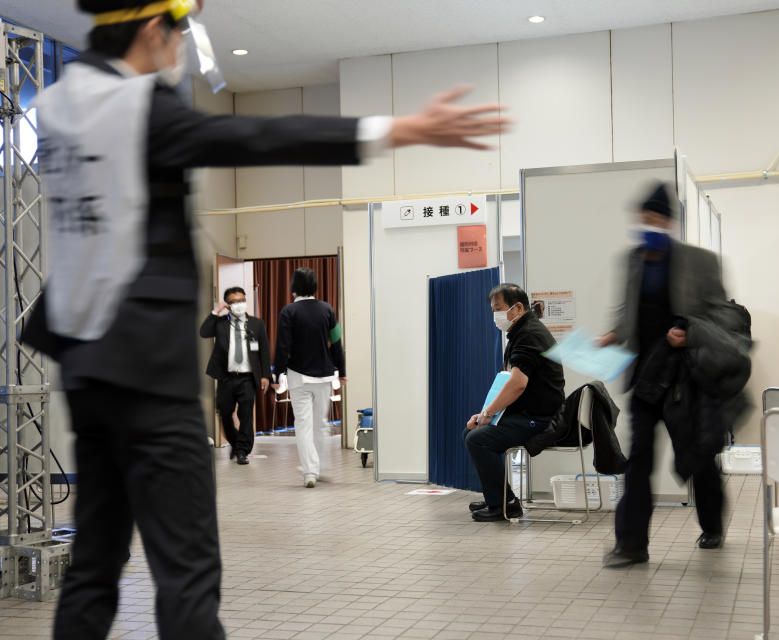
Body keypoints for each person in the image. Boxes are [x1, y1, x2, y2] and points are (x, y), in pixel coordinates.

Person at [22, 1, 508, 637]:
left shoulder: (56, 106)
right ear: (149, 30)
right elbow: (256, 137)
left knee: (94, 562)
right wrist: (401, 130)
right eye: (179, 36)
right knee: (188, 570)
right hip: (148, 372)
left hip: (87, 367)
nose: (180, 54)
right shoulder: (138, 109)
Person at [597, 182, 730, 567]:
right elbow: (627, 312)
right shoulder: (633, 260)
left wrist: (689, 332)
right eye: (643, 217)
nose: (647, 223)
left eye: (655, 217)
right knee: (639, 458)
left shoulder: (700, 261)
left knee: (696, 456)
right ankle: (631, 544)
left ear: (669, 222)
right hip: (645, 377)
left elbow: (722, 313)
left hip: (685, 377)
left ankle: (712, 523)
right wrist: (610, 335)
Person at [464, 284, 566, 522]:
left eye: (498, 309)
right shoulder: (521, 332)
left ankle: (506, 504)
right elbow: (506, 383)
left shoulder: (529, 334)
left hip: (540, 418)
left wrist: (489, 412)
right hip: (527, 413)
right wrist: (483, 415)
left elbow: (518, 384)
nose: (495, 316)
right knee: (472, 432)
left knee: (478, 440)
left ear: (518, 307)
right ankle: (496, 497)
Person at [273, 268, 346, 488]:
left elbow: (283, 346)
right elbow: (337, 343)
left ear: (293, 287)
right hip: (324, 376)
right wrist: (341, 371)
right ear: (315, 286)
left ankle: (310, 472)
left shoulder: (288, 312)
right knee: (320, 424)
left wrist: (278, 373)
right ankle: (321, 467)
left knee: (303, 425)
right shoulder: (327, 309)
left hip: (299, 376)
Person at [199, 286, 270, 465]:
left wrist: (266, 375)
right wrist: (216, 310)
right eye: (234, 302)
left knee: (246, 415)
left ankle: (242, 451)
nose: (239, 304)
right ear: (228, 304)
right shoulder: (221, 323)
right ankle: (235, 441)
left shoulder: (256, 324)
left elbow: (265, 352)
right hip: (226, 377)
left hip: (247, 377)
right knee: (225, 412)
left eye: (242, 300)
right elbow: (204, 332)